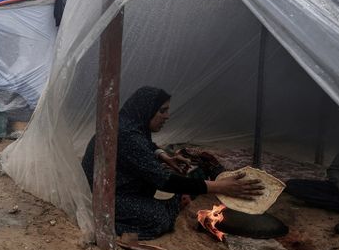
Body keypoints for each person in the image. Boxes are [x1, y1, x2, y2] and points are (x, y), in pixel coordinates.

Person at [81, 86, 264, 240]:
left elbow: (147, 145)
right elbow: (165, 181)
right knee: (159, 218)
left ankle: (168, 203)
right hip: (104, 195)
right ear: (146, 109)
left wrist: (163, 156)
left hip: (120, 184)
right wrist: (219, 187)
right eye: (162, 110)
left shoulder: (131, 123)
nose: (167, 116)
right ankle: (105, 224)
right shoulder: (128, 136)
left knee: (181, 188)